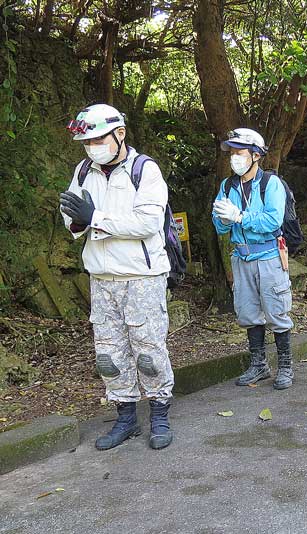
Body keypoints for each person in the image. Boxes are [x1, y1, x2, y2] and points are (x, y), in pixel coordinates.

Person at [60, 103, 174, 450]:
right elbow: (71, 216)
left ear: (119, 134)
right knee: (108, 353)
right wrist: (79, 220)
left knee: (149, 349)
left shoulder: (145, 170)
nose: (92, 147)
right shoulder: (84, 170)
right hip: (102, 277)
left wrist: (95, 217)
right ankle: (125, 418)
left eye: (97, 139)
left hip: (141, 276)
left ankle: (159, 415)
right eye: (87, 142)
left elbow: (147, 223)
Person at [212, 128, 296, 390]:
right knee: (248, 313)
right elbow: (219, 226)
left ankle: (285, 367)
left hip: (269, 255)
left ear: (256, 155)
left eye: (240, 152)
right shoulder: (227, 186)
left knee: (276, 311)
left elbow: (273, 220)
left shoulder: (270, 184)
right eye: (232, 153)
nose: (234, 157)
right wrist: (224, 220)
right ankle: (258, 365)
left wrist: (240, 217)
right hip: (241, 257)